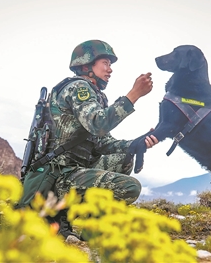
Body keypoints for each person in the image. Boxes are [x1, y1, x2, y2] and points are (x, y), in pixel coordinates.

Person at [44, 39, 158, 241]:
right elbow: (99, 124)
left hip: (74, 172)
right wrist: (134, 95)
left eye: (110, 64)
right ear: (87, 65)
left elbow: (104, 142)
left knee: (124, 156)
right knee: (130, 187)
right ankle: (59, 217)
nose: (110, 70)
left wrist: (135, 143)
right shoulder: (79, 88)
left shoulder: (94, 95)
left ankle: (90, 231)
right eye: (105, 63)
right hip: (58, 176)